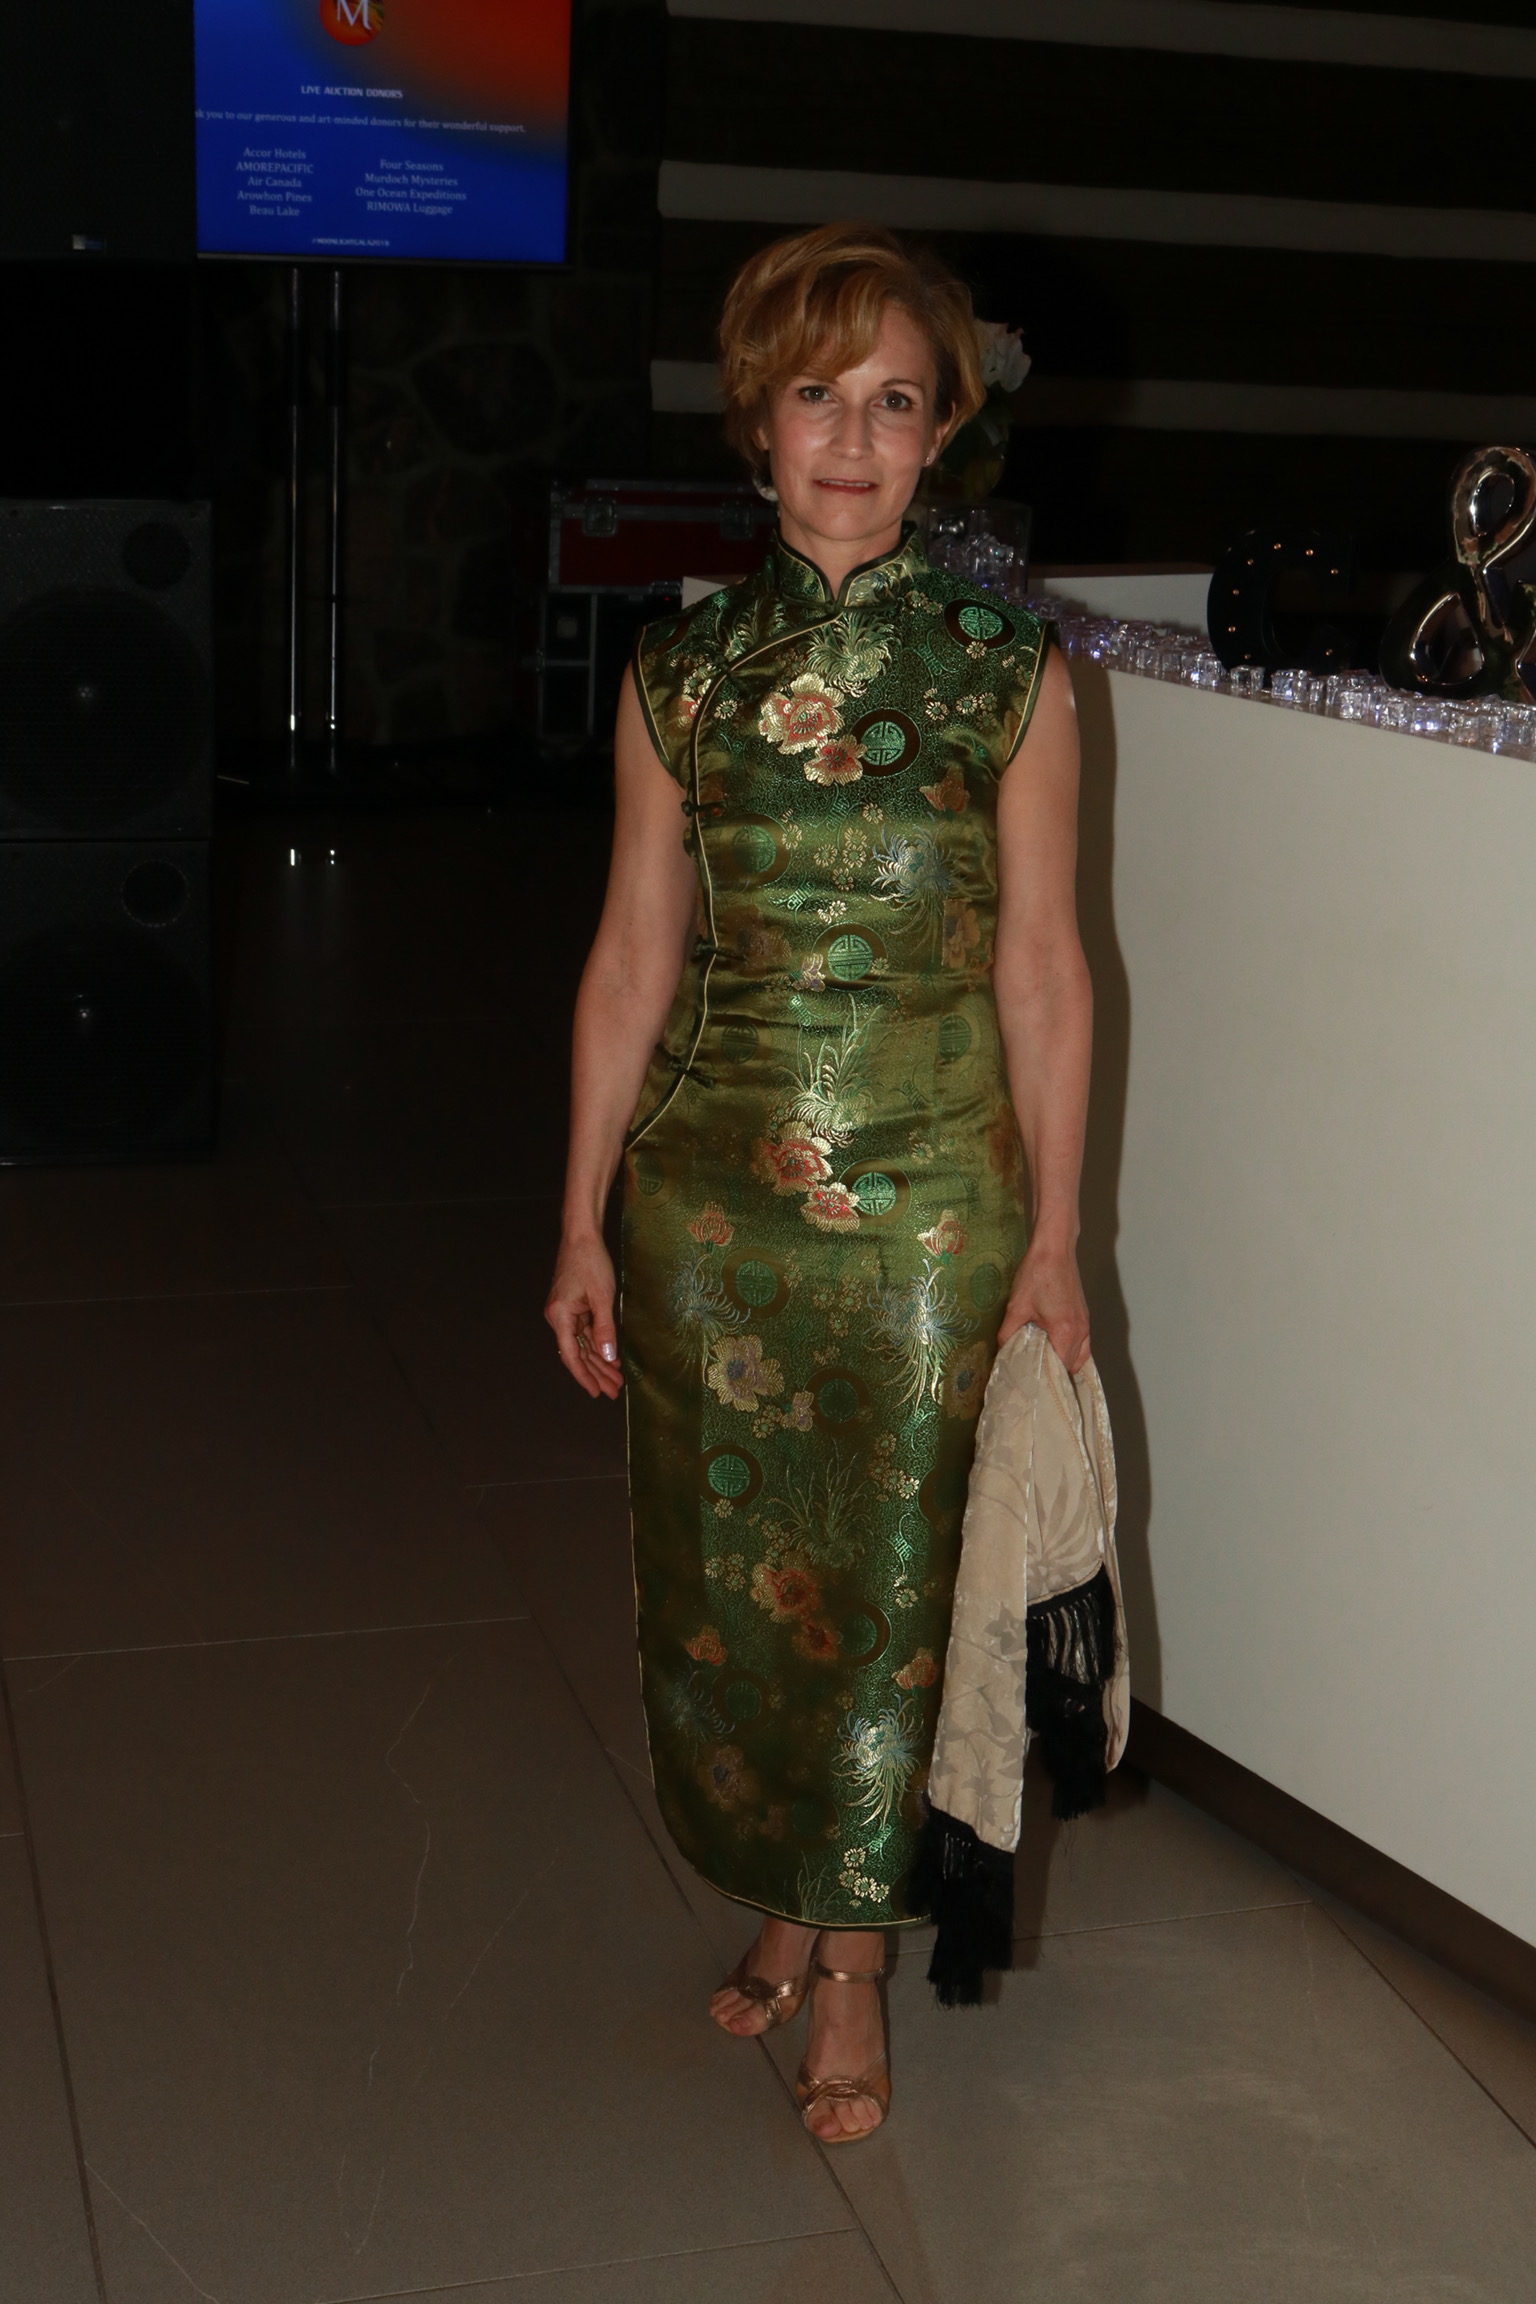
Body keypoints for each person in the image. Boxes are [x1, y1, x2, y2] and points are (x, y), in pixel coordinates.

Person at [546, 222, 1091, 2144]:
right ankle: (786, 1887)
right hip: (712, 1202)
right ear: (755, 425)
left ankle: (854, 1961)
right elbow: (632, 960)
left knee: (892, 1586)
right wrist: (578, 1216)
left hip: (938, 1206)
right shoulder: (681, 674)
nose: (851, 440)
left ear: (941, 436)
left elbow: (1043, 969)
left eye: (894, 401)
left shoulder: (1010, 674)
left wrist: (1057, 1237)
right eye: (815, 396)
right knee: (733, 1582)